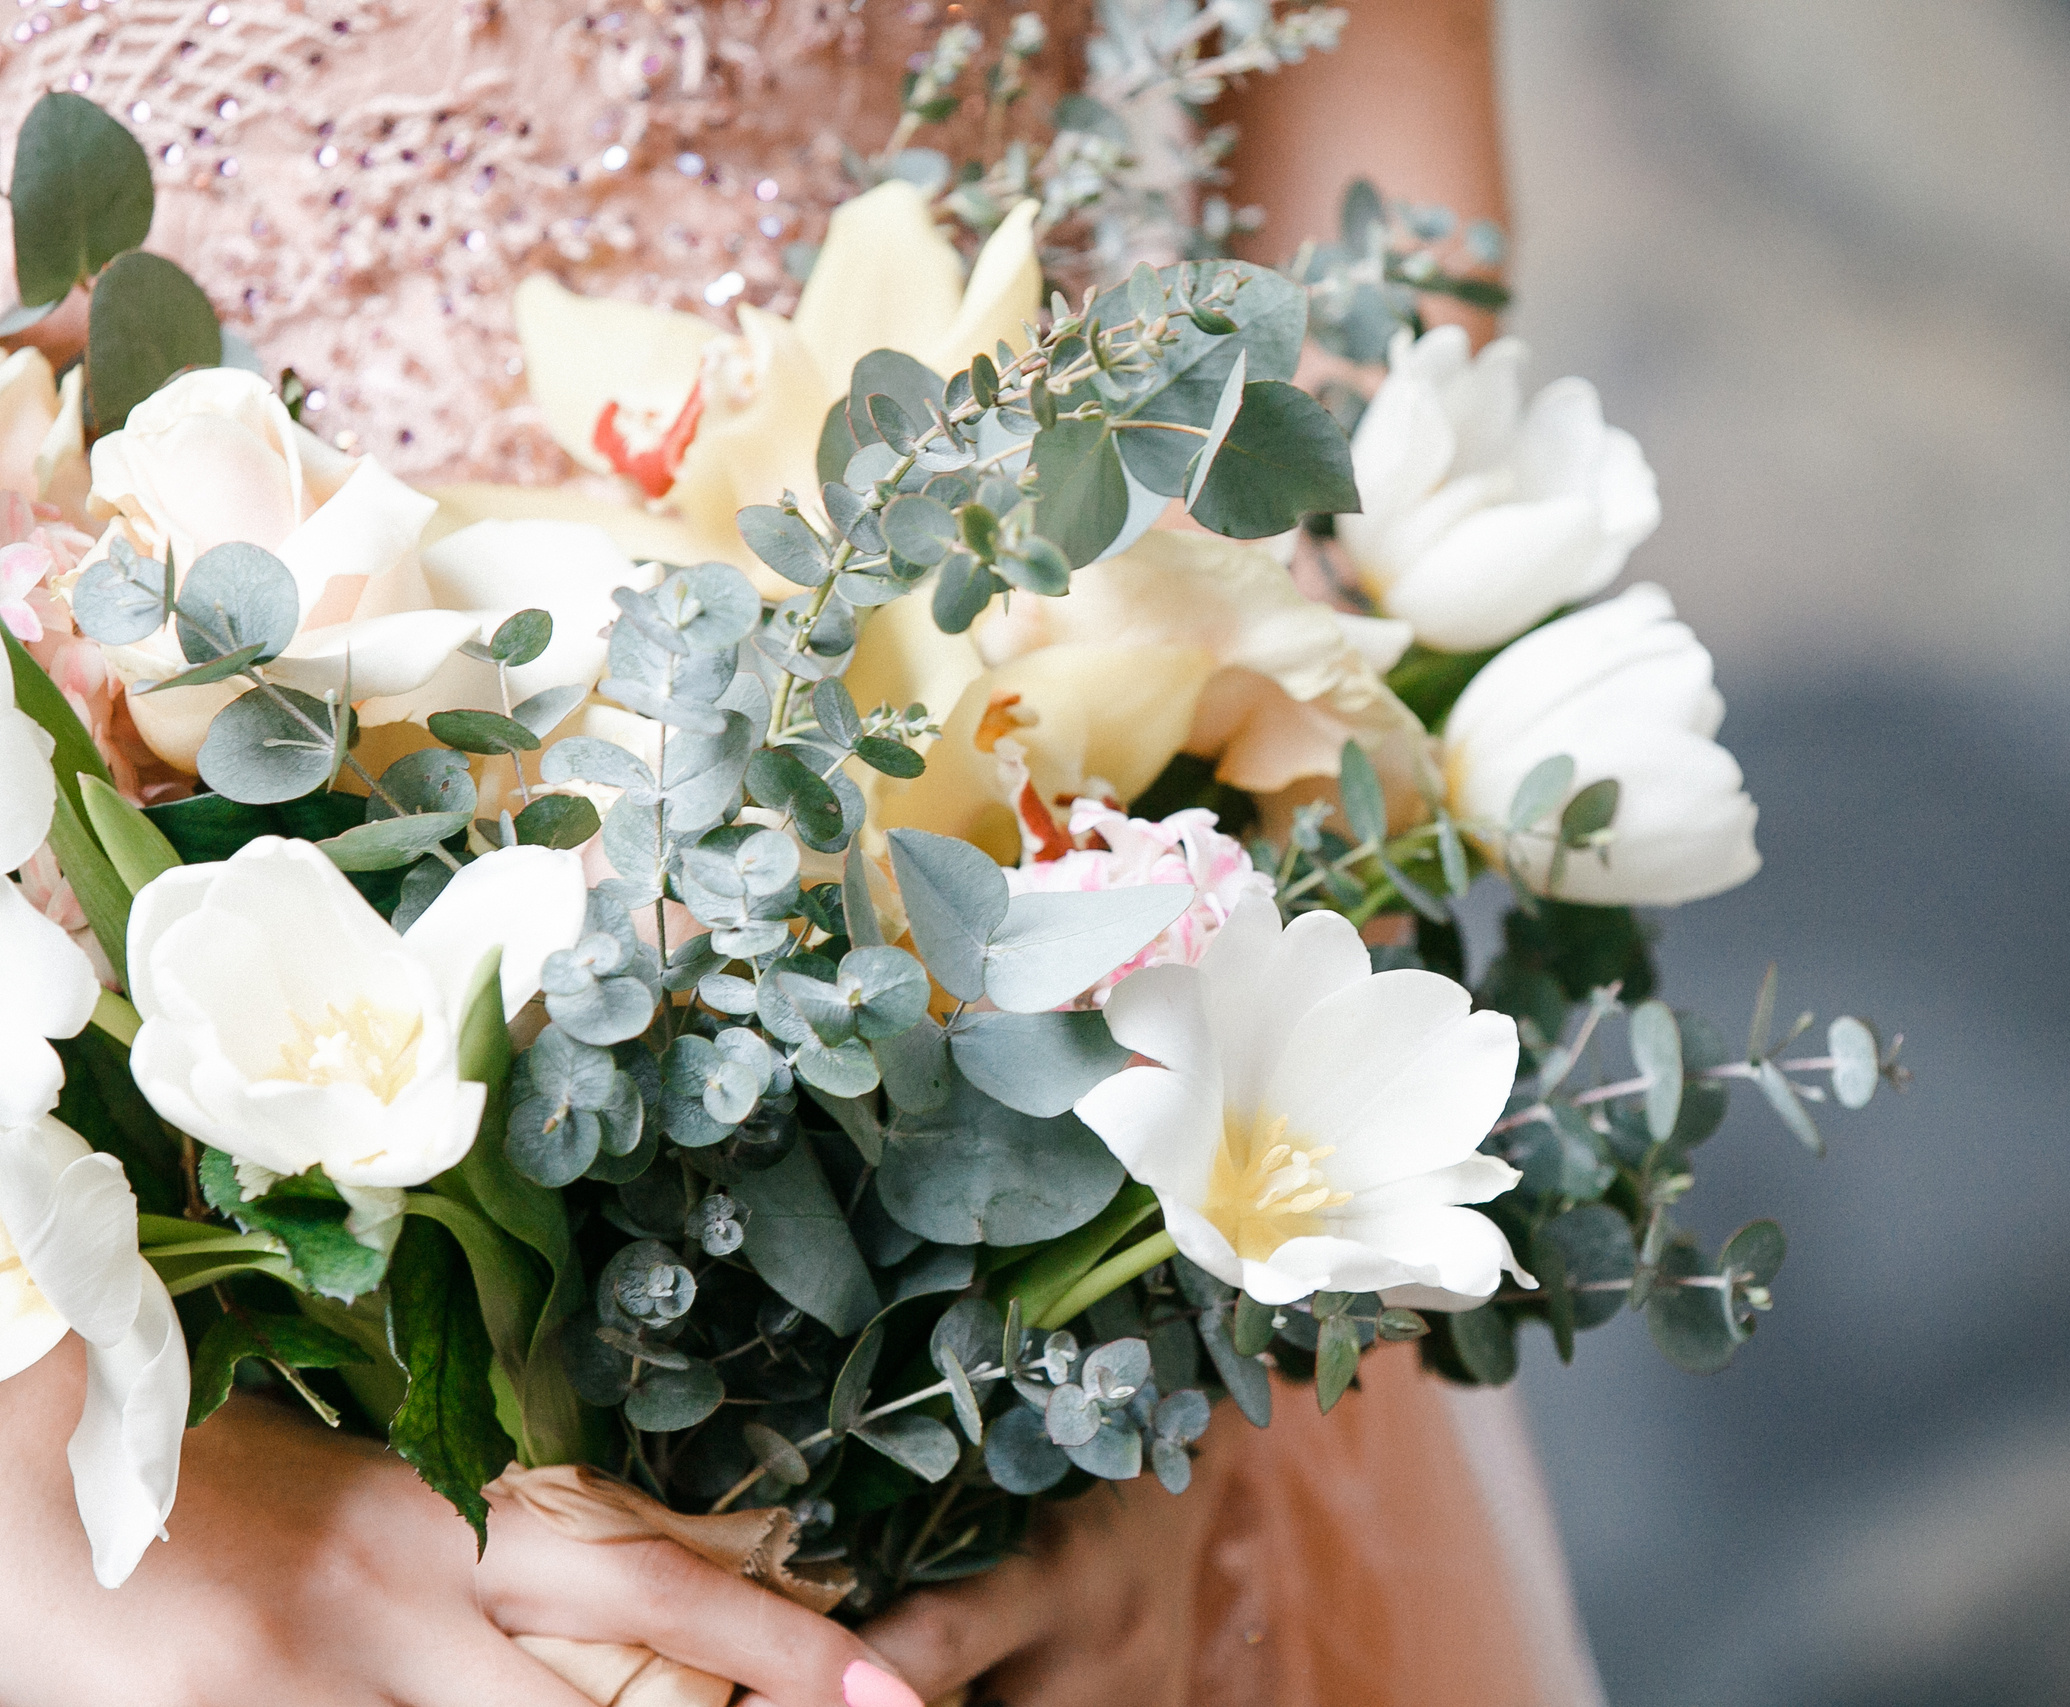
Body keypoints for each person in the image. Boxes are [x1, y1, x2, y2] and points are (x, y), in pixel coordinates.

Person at [0, 4, 1587, 1703]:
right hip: (116, 1270)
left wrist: (1152, 1364)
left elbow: (1354, 421)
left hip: (1005, 1121)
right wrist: (38, 1490)